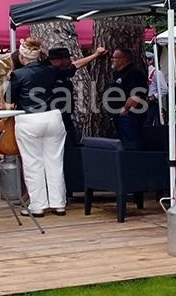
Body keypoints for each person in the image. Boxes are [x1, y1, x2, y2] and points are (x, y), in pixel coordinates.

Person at [7, 39, 104, 216]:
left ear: (22, 56)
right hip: (53, 117)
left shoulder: (18, 75)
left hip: (29, 119)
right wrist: (95, 55)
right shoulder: (51, 71)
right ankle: (59, 203)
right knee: (55, 161)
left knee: (33, 163)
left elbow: (8, 99)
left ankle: (38, 205)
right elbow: (74, 67)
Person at [105, 47, 149, 149]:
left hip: (130, 117)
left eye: (115, 58)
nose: (112, 60)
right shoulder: (117, 73)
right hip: (118, 117)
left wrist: (125, 110)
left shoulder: (134, 73)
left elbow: (135, 96)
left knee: (131, 144)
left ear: (124, 59)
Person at [144, 49, 168, 125]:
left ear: (150, 61)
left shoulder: (157, 73)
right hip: (141, 103)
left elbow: (164, 89)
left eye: (145, 60)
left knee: (149, 124)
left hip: (151, 103)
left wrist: (154, 97)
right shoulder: (142, 71)